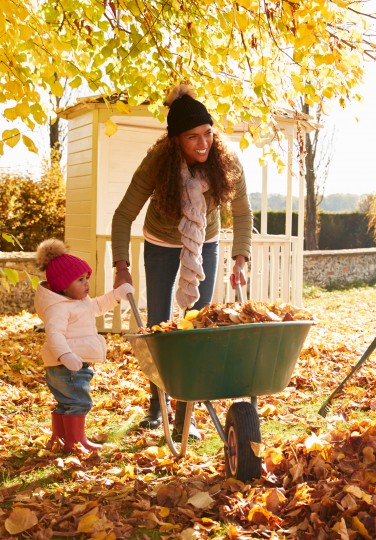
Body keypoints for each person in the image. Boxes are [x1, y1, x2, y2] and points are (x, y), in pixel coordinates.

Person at [112, 84, 253, 440]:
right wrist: (121, 265)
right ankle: (157, 407)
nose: (203, 143)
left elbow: (242, 212)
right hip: (161, 242)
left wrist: (241, 257)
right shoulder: (156, 165)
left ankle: (185, 411)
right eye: (193, 138)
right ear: (176, 140)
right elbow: (122, 215)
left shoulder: (227, 161)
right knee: (159, 324)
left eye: (208, 134)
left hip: (204, 242)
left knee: (197, 325)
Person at [35, 239, 135, 454]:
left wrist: (117, 295)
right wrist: (65, 355)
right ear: (62, 285)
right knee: (79, 403)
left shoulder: (78, 301)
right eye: (80, 280)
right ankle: (76, 441)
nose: (86, 283)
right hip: (67, 366)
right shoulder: (58, 308)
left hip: (73, 364)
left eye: (86, 278)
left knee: (67, 404)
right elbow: (54, 335)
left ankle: (62, 438)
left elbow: (97, 306)